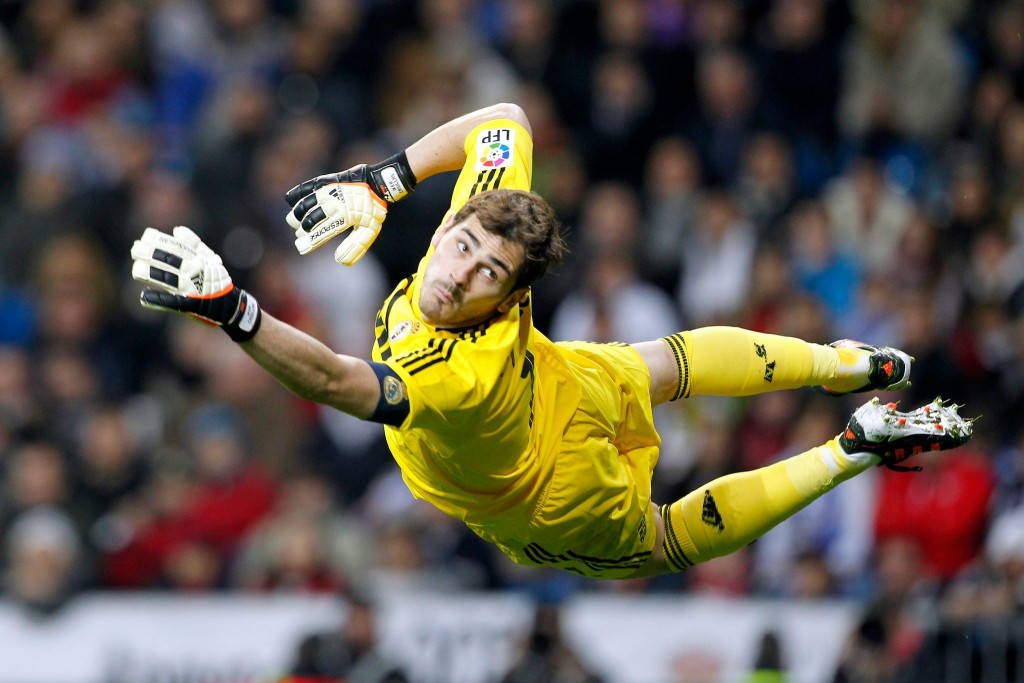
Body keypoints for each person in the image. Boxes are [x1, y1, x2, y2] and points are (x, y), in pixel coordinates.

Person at [129, 103, 975, 580]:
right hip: (557, 376)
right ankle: (846, 363)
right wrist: (383, 180)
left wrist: (233, 310)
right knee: (661, 363)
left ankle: (850, 446)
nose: (459, 273)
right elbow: (504, 120)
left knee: (665, 539)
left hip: (550, 493)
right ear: (452, 222)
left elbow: (335, 380)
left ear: (511, 295)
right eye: (463, 245)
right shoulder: (491, 218)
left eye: (488, 273)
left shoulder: (456, 375)